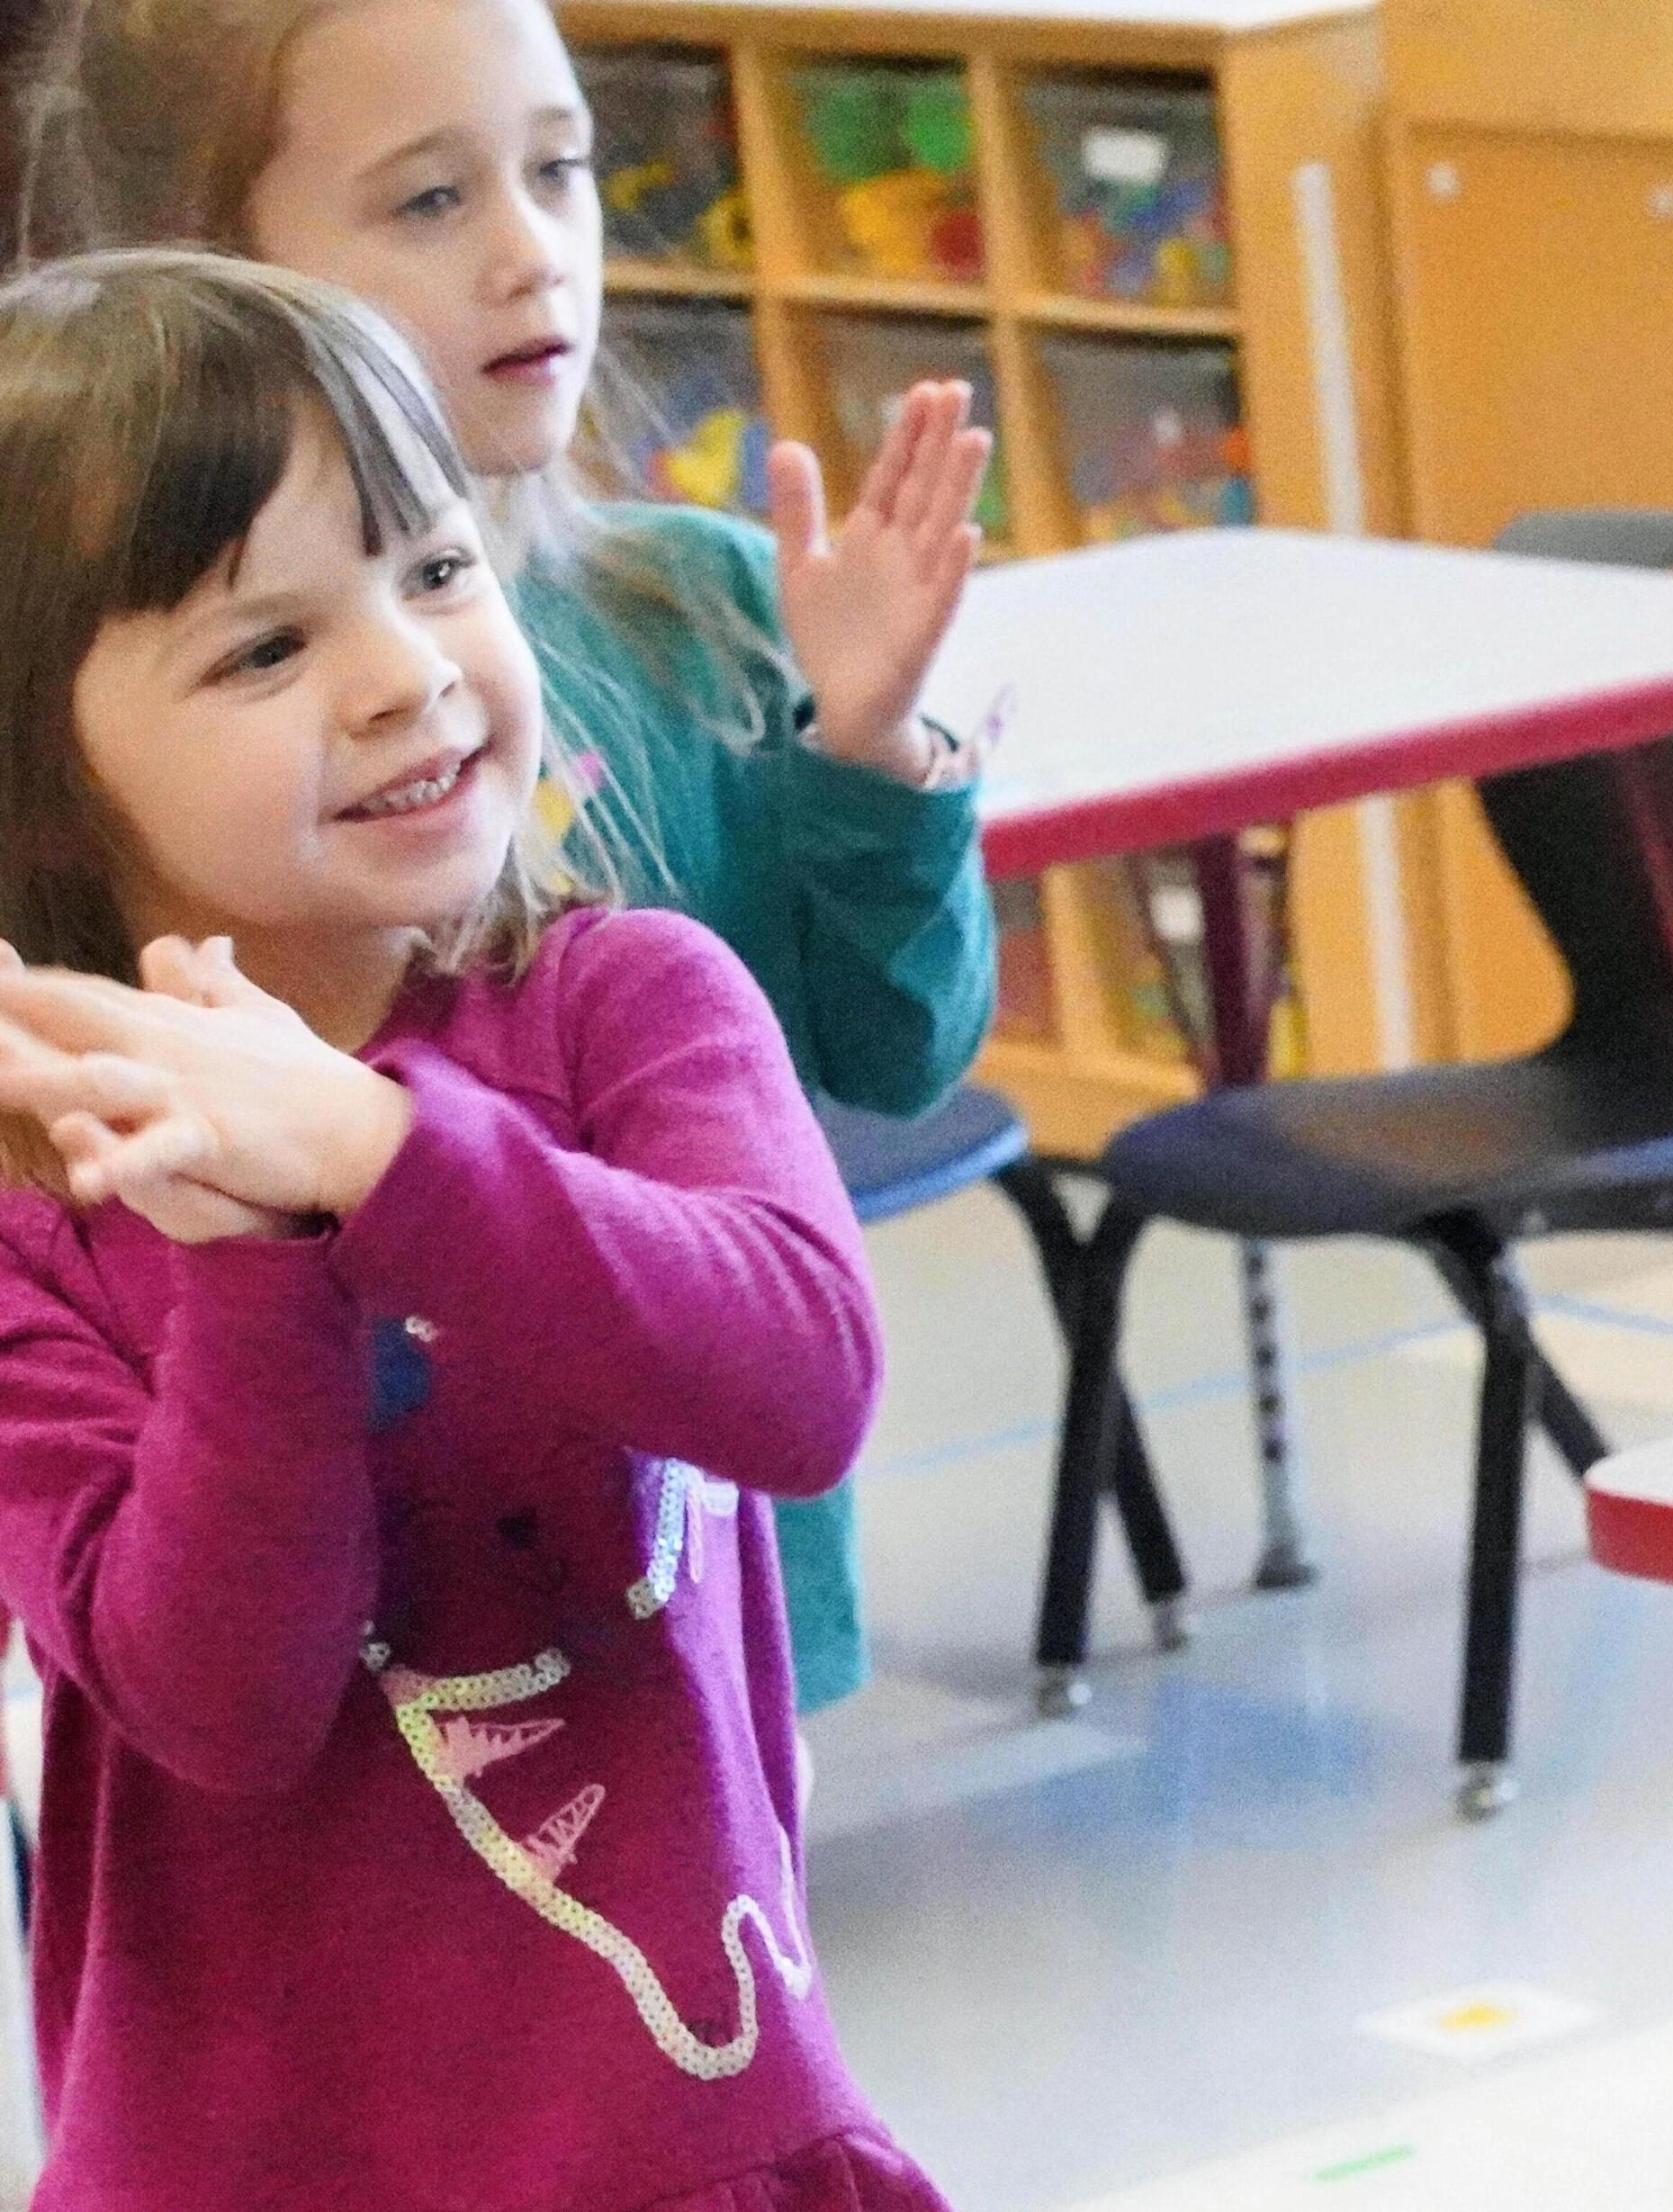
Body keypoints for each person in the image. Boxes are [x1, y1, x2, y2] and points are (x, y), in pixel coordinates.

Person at [0, 248, 924, 2208]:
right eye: (263, 647)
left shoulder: (628, 1003)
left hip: (688, 2133)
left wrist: (381, 1153)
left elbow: (798, 1374)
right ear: (49, 793)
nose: (407, 669)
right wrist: (256, 1255)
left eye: (432, 568)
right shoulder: (35, 1213)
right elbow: (221, 1697)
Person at [15, 0, 1007, 1708]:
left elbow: (888, 1077)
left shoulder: (685, 649)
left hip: (677, 1627)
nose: (533, 254)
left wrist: (867, 758)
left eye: (561, 172)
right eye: (427, 200)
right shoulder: (64, 1120)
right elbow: (211, 1691)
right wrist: (269, 1230)